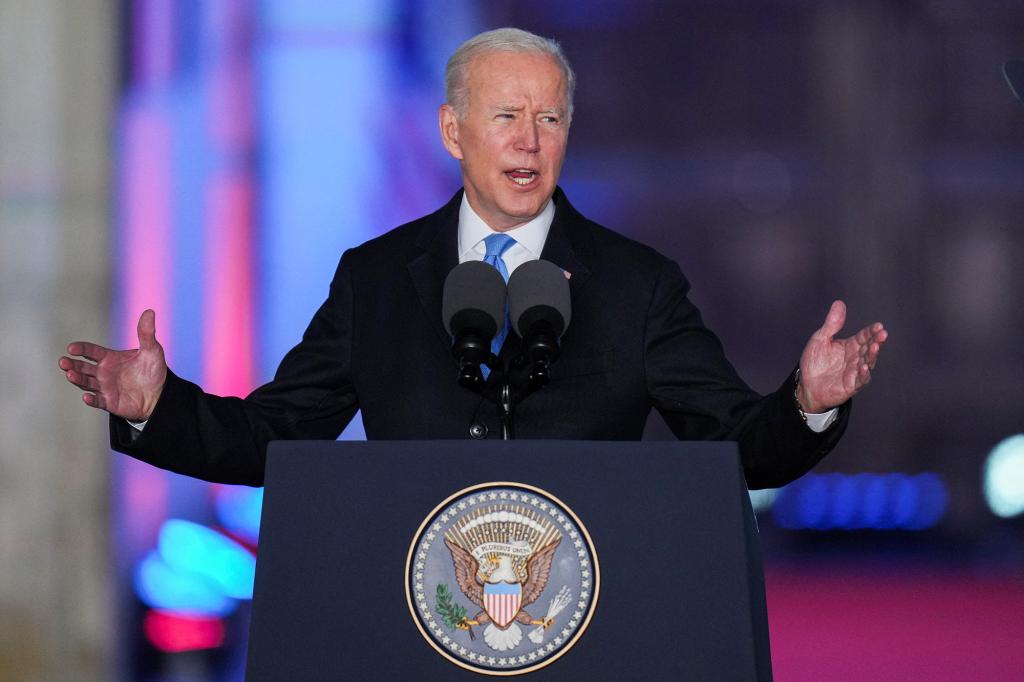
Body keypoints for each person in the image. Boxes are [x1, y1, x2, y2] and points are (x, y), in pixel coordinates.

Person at [58, 28, 887, 489]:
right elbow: (275, 436)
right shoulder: (376, 279)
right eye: (506, 116)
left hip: (590, 618)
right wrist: (157, 408)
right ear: (454, 131)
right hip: (413, 614)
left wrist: (806, 403)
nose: (531, 140)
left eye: (551, 119)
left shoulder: (637, 286)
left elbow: (740, 446)